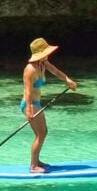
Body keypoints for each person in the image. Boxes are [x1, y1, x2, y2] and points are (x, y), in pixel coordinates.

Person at [21, 37, 78, 173]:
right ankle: (33, 166)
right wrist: (29, 111)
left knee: (42, 133)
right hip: (30, 105)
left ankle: (37, 161)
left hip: (36, 104)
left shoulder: (42, 63)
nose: (48, 54)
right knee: (41, 134)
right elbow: (28, 92)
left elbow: (56, 72)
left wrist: (67, 80)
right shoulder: (30, 70)